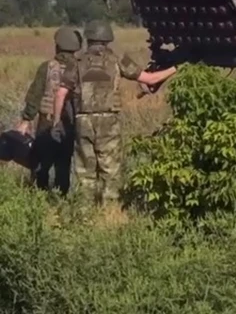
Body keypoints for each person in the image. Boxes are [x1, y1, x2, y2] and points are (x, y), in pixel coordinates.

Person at [56, 19, 178, 205]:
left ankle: (84, 210)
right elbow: (151, 79)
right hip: (109, 121)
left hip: (83, 121)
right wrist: (176, 68)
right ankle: (109, 211)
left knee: (84, 170)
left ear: (88, 39)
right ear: (107, 39)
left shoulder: (76, 62)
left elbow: (61, 92)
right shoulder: (118, 60)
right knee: (110, 169)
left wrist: (58, 120)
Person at [14, 26, 82, 195]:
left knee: (40, 164)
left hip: (47, 121)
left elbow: (35, 96)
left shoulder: (47, 67)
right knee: (63, 164)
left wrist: (26, 119)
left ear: (57, 45)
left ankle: (40, 196)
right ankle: (61, 198)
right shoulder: (81, 68)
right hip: (70, 125)